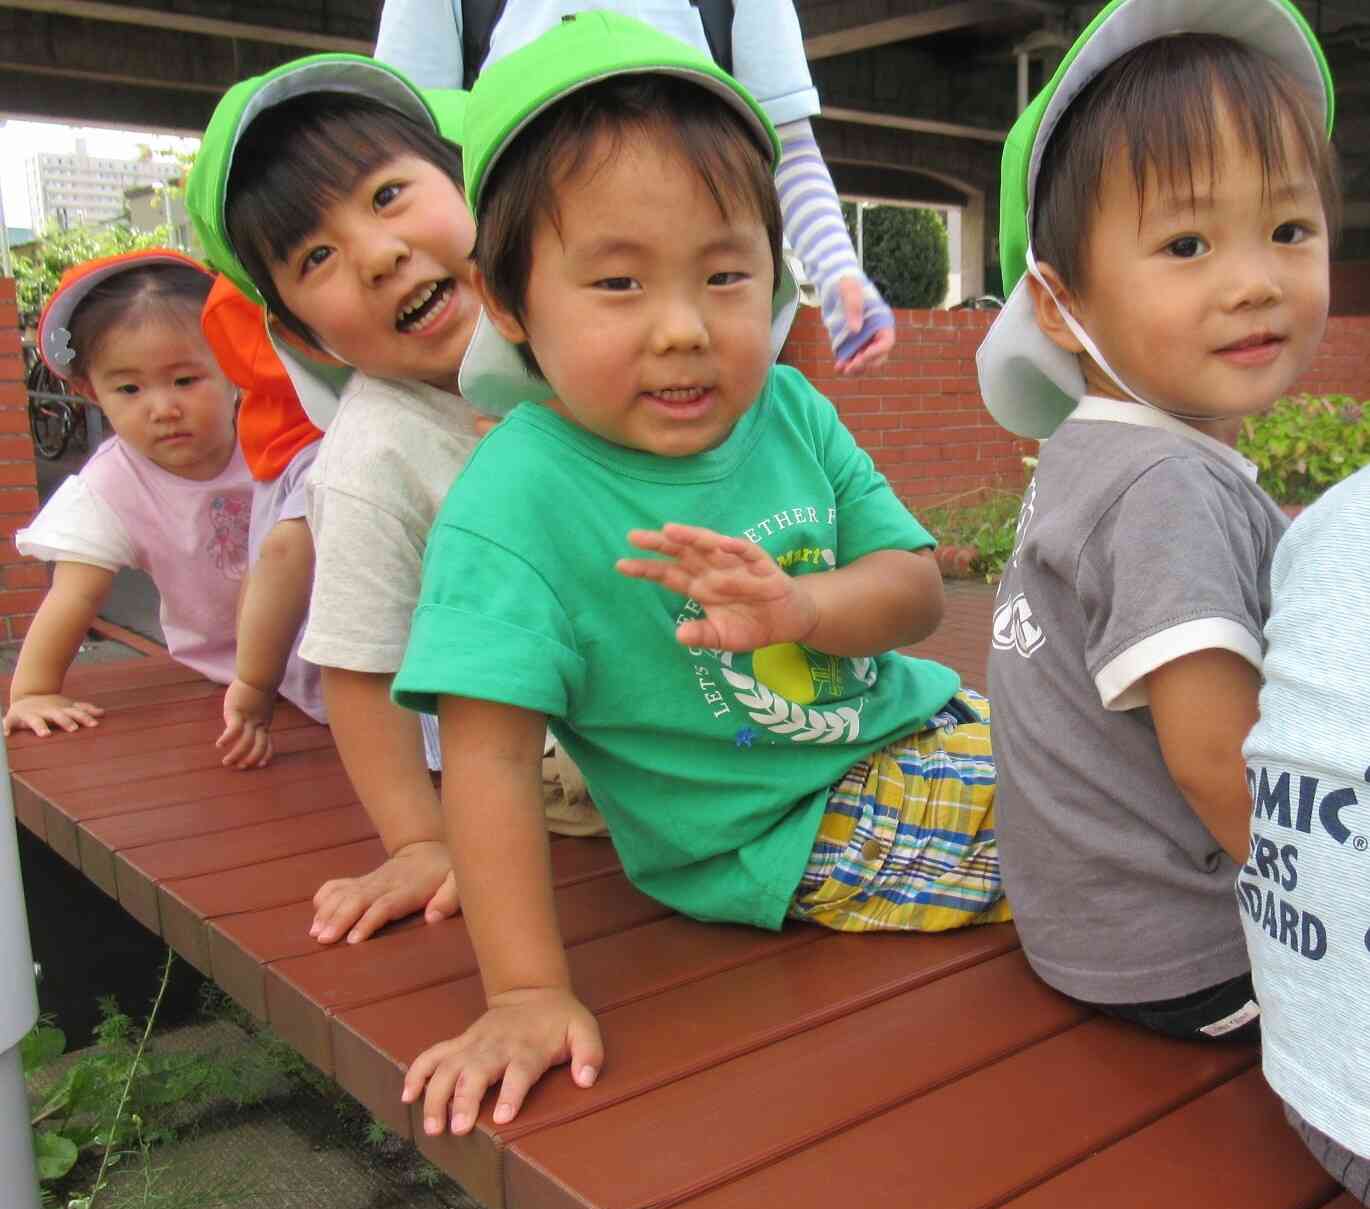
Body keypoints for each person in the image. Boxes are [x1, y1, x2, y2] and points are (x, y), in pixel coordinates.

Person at [391, 13, 1009, 1138]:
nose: (684, 330)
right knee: (1096, 840)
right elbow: (482, 761)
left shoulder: (786, 406)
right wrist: (524, 994)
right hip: (776, 827)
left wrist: (802, 607)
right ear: (507, 301)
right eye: (618, 285)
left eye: (725, 275)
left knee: (1120, 757)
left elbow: (914, 592)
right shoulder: (516, 503)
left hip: (922, 727)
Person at [976, 0, 1338, 1041]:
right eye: (1185, 243)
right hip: (1191, 950)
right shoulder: (1161, 485)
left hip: (1092, 928)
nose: (1252, 281)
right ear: (1055, 305)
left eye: (1286, 230)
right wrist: (1324, 916)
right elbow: (1215, 762)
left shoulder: (1104, 450)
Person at [185, 57, 481, 943]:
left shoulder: (574, 331)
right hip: (535, 761)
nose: (379, 254)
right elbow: (360, 669)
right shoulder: (372, 456)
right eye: (317, 256)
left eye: (388, 195)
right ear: (300, 335)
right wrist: (420, 839)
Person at [372, 0, 896, 375]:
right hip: (537, 367)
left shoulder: (798, 429)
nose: (676, 333)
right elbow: (415, 150)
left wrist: (838, 274)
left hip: (724, 356)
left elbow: (788, 146)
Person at [5, 251, 252, 739]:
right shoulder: (113, 486)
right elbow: (74, 595)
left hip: (331, 649)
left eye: (185, 380)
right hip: (228, 671)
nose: (163, 408)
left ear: (233, 366)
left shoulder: (275, 436)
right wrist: (32, 690)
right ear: (93, 393)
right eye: (129, 389)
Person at [1239, 463, 1370, 1205]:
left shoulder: (1328, 515)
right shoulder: (1164, 492)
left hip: (1308, 1084)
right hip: (1177, 974)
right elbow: (1201, 760)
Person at [199, 275, 328, 769]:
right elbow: (283, 554)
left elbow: (264, 560)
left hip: (295, 666)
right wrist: (253, 686)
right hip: (350, 676)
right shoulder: (329, 447)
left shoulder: (277, 433)